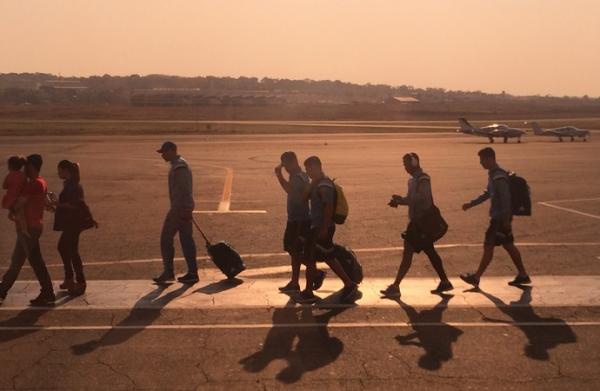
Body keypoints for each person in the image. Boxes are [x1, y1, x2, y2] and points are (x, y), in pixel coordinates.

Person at [380, 153, 453, 298]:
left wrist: (403, 200)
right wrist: (400, 201)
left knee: (408, 253)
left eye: (407, 164)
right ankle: (445, 281)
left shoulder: (423, 179)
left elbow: (423, 198)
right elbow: (412, 199)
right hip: (417, 222)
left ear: (414, 163)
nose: (405, 168)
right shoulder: (412, 181)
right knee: (430, 251)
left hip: (422, 223)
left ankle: (396, 286)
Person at [460, 147, 530, 287]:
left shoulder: (498, 176)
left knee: (488, 246)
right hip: (501, 218)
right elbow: (488, 194)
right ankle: (523, 274)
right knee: (508, 245)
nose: (481, 163)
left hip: (499, 219)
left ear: (490, 159)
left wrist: (505, 220)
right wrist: (471, 204)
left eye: (482, 160)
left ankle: (476, 277)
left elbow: (505, 198)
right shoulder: (494, 174)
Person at [296, 156, 358, 304]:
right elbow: (303, 199)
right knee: (325, 257)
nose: (307, 172)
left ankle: (310, 291)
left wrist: (324, 228)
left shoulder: (324, 185)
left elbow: (328, 207)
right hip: (317, 226)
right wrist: (311, 185)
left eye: (309, 168)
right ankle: (348, 284)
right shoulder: (317, 184)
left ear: (317, 167)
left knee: (314, 258)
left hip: (321, 227)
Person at [0, 154, 55, 306]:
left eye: (26, 167)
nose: (24, 170)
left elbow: (19, 203)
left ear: (31, 166)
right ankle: (47, 293)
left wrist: (10, 207)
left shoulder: (34, 184)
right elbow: (45, 203)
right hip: (32, 227)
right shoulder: (41, 182)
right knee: (27, 262)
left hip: (29, 229)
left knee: (25, 262)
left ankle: (3, 290)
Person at [275, 151, 325, 292]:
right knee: (294, 250)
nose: (285, 168)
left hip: (299, 219)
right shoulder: (300, 175)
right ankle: (295, 282)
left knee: (296, 250)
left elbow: (289, 190)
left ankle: (314, 273)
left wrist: (279, 176)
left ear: (292, 162)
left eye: (285, 165)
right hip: (297, 218)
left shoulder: (297, 177)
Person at [153, 141, 199, 284]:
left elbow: (184, 190)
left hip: (179, 210)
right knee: (186, 241)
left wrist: (185, 209)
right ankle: (192, 273)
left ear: (172, 151)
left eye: (164, 152)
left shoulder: (179, 167)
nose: (162, 156)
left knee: (165, 239)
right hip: (183, 208)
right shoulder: (178, 164)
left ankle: (169, 272)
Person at [50, 160, 97, 296]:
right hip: (71, 223)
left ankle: (80, 281)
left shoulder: (73, 186)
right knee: (65, 248)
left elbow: (74, 206)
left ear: (66, 171)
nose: (58, 173)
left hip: (74, 223)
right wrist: (55, 206)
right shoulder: (70, 185)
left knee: (71, 250)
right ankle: (70, 278)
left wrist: (58, 204)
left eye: (59, 170)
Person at [2, 156, 29, 238]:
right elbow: (26, 185)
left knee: (14, 212)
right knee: (21, 214)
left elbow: (4, 186)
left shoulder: (10, 175)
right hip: (18, 199)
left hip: (10, 199)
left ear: (10, 166)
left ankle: (18, 222)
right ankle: (24, 229)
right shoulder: (23, 175)